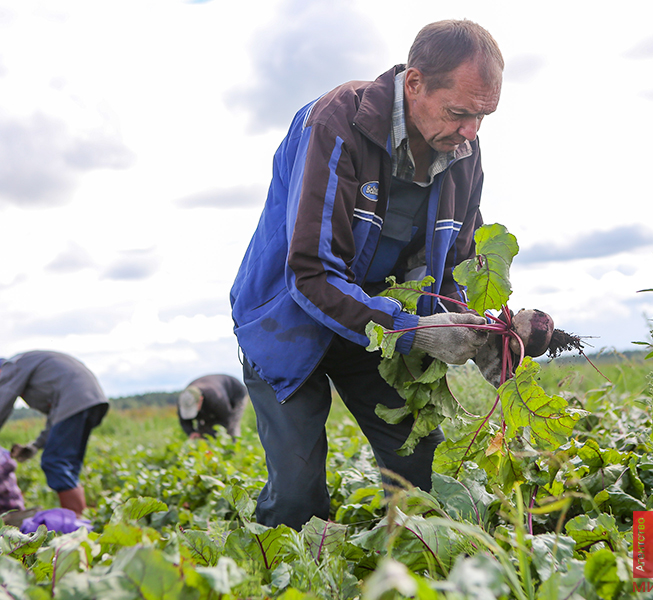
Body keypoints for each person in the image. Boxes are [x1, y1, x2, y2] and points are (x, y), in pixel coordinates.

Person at [230, 19, 551, 530]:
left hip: (381, 329)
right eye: (459, 113)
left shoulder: (463, 151)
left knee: (423, 480)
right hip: (287, 320)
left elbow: (452, 268)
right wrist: (414, 330)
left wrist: (483, 329)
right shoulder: (337, 122)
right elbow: (311, 273)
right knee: (296, 502)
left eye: (483, 117)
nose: (470, 132)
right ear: (414, 83)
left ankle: (408, 563)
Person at [0, 351, 109, 517]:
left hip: (76, 399)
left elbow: (2, 401)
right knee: (68, 466)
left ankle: (76, 522)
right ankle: (83, 519)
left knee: (54, 462)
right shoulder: (31, 368)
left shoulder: (10, 367)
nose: (2, 385)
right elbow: (56, 418)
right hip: (91, 400)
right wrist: (35, 446)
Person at [177, 374, 248, 438]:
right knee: (202, 428)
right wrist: (191, 432)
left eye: (194, 408)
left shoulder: (216, 397)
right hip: (214, 391)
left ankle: (234, 448)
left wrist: (209, 434)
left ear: (200, 400)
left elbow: (225, 419)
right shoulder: (184, 399)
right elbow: (184, 420)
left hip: (235, 393)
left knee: (231, 426)